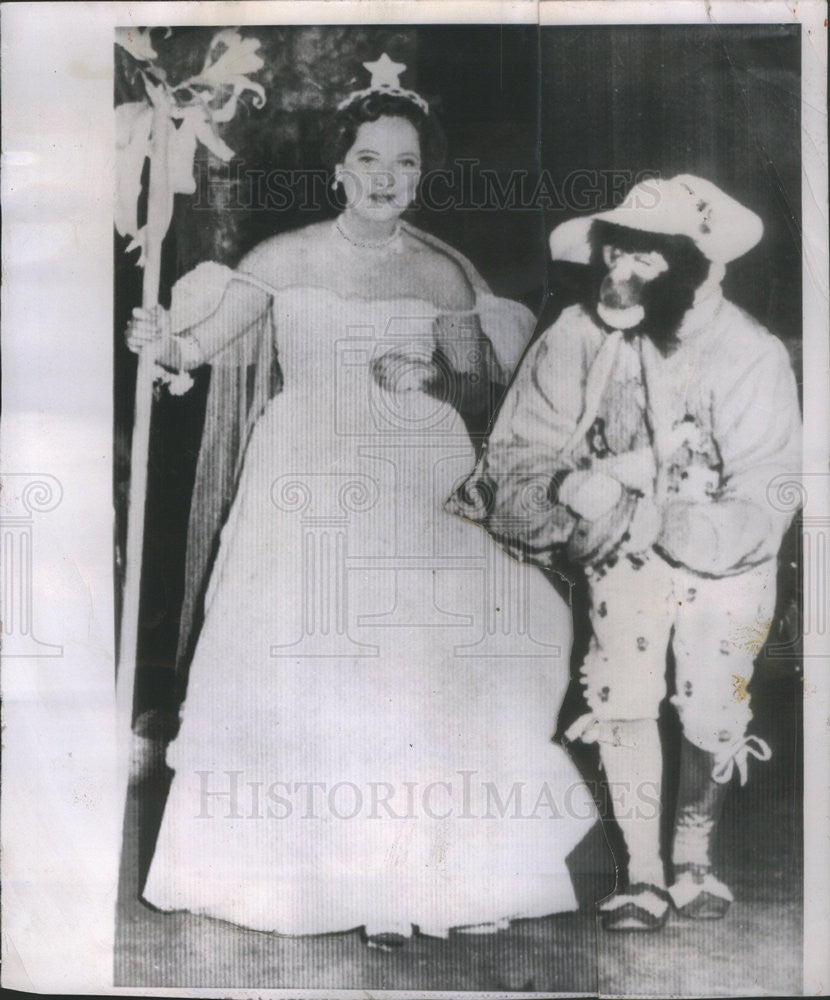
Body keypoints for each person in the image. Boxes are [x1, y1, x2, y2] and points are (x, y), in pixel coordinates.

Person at [128, 56, 598, 946]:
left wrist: (431, 374)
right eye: (372, 160)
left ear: (424, 173)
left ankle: (418, 875)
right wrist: (163, 342)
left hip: (421, 476)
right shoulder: (280, 257)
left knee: (421, 671)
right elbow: (198, 352)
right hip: (307, 479)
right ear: (339, 166)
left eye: (407, 163)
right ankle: (322, 877)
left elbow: (481, 394)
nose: (389, 179)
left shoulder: (441, 274)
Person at [448, 175, 802, 932]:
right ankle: (641, 873)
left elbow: (766, 496)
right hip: (619, 553)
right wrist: (569, 492)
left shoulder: (749, 354)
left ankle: (694, 855)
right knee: (623, 696)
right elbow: (516, 457)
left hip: (723, 562)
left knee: (711, 706)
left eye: (646, 260)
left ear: (695, 268)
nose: (621, 274)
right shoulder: (577, 336)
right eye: (615, 253)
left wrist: (664, 521)